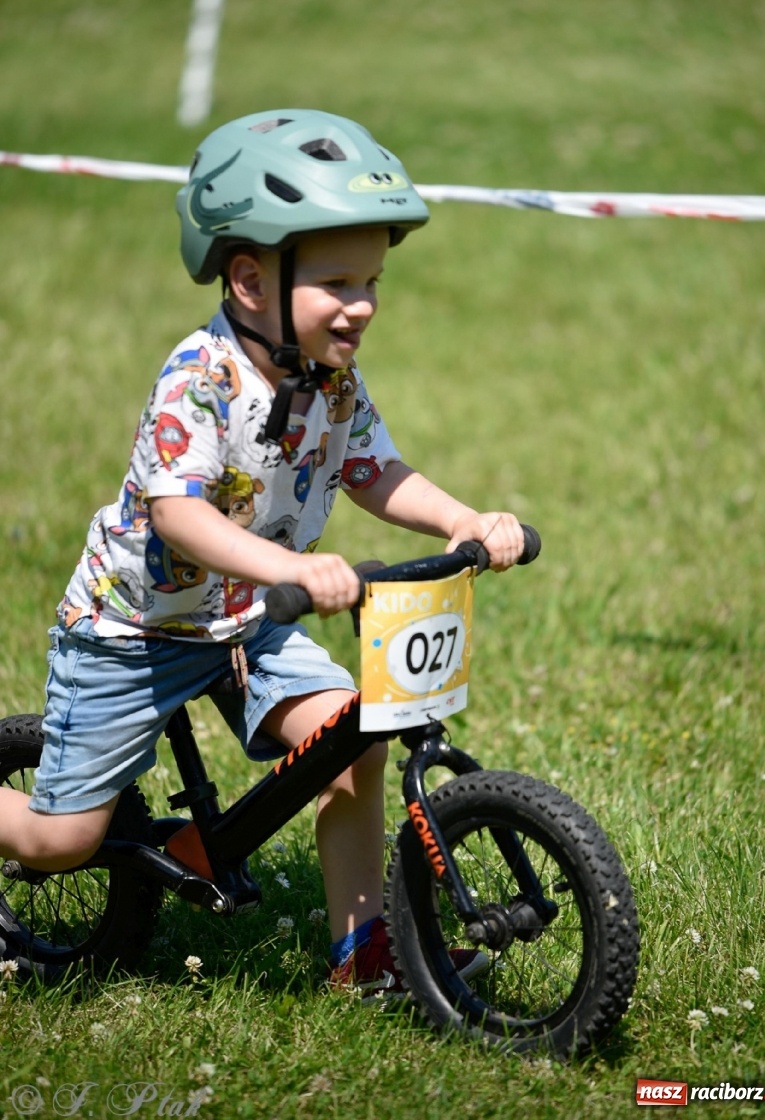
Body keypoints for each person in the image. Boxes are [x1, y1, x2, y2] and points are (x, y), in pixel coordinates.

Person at [0, 110, 525, 993]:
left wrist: (462, 520)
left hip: (246, 623)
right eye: (336, 281)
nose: (360, 302)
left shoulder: (331, 378)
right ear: (249, 278)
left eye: (371, 279)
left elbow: (373, 470)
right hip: (134, 632)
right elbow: (177, 514)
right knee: (63, 842)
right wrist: (287, 567)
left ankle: (361, 955)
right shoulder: (199, 379)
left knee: (351, 737)